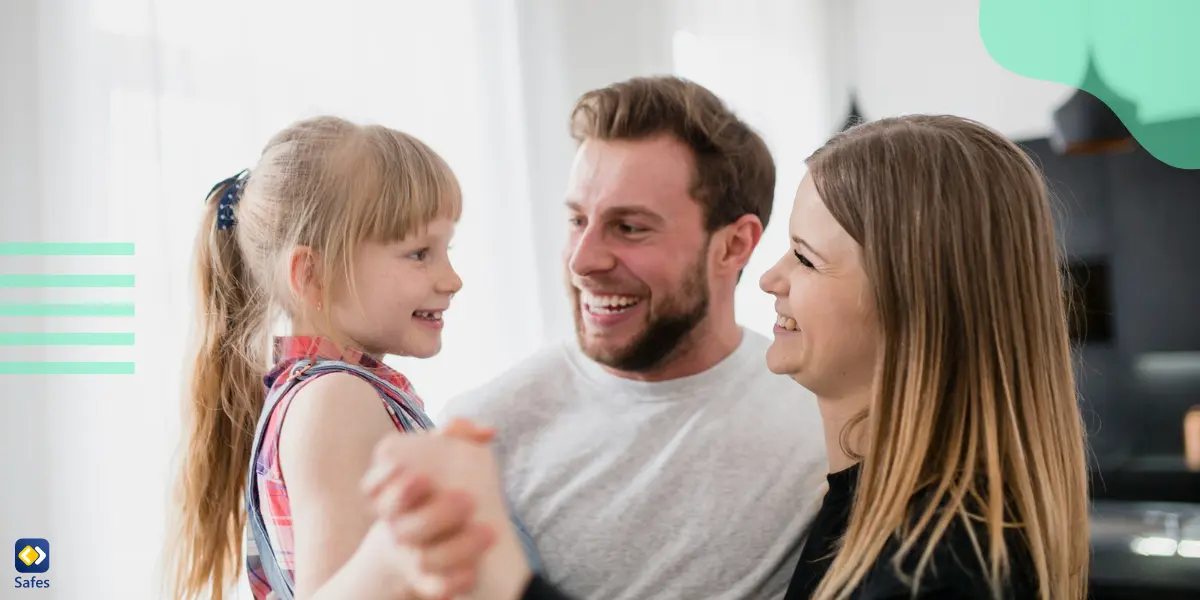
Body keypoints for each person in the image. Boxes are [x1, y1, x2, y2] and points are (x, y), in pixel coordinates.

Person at [364, 114, 1092, 600]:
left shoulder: (940, 566)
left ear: (916, 304)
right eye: (578, 220)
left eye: (805, 258)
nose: (771, 280)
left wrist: (499, 573)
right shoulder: (867, 511)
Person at [438, 75, 827, 600]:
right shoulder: (484, 433)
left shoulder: (825, 428)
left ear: (735, 246)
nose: (583, 261)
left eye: (630, 228)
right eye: (578, 220)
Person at [166, 115, 535, 600]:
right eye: (419, 253)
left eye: (447, 249)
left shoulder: (330, 395)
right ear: (312, 274)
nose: (452, 279)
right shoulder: (335, 400)